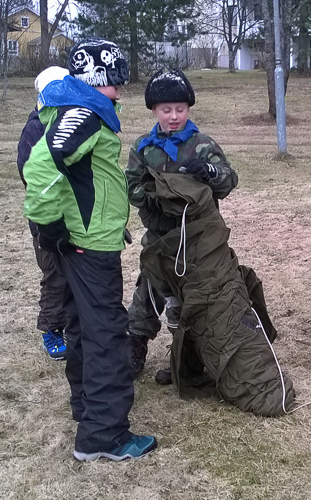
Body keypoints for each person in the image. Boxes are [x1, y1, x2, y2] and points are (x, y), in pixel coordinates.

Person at [23, 38, 157, 461]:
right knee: (107, 336)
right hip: (88, 246)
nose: (121, 89)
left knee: (83, 328)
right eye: (116, 80)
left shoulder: (79, 108)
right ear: (98, 79)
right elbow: (43, 167)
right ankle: (104, 436)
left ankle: (86, 407)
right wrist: (48, 227)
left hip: (84, 240)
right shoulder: (82, 113)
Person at [125, 67, 238, 382]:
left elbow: (229, 181)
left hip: (197, 241)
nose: (174, 116)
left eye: (180, 109)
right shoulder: (144, 148)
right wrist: (157, 197)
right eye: (166, 110)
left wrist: (209, 172)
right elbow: (131, 187)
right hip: (159, 238)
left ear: (189, 108)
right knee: (147, 294)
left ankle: (187, 360)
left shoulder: (202, 145)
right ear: (154, 110)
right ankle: (134, 347)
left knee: (191, 302)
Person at [17, 65, 71, 361]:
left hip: (74, 216)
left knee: (74, 272)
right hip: (45, 220)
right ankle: (51, 328)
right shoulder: (36, 127)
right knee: (54, 275)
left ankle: (74, 324)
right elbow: (30, 173)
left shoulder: (72, 121)